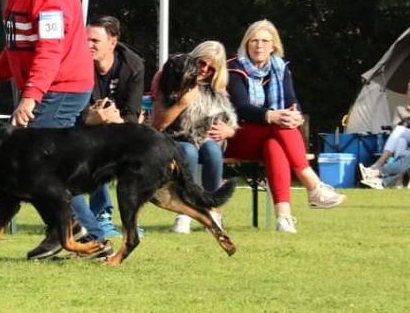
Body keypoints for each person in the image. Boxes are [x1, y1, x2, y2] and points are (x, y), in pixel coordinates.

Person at [0, 0, 102, 260]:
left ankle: (83, 232)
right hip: (49, 86)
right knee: (50, 167)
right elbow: (19, 39)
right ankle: (71, 230)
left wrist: (31, 95)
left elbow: (50, 48)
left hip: (61, 87)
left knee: (38, 165)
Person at [225, 20, 345, 234]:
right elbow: (242, 107)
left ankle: (284, 219)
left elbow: (292, 100)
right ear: (246, 44)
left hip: (273, 134)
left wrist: (295, 115)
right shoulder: (234, 68)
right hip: (237, 135)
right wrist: (271, 115)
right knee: (280, 125)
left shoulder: (281, 69)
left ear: (273, 46)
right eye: (254, 41)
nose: (259, 46)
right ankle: (313, 185)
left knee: (275, 145)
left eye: (264, 41)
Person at [150, 41, 237, 234]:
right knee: (188, 152)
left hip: (206, 135)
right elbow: (158, 125)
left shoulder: (217, 86)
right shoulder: (168, 76)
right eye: (201, 63)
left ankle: (213, 211)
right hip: (174, 135)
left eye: (211, 68)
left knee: (213, 152)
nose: (204, 70)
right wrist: (184, 102)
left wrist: (229, 131)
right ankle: (184, 211)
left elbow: (229, 117)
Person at [77, 15, 145, 238]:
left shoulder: (133, 65)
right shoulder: (77, 62)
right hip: (85, 130)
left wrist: (113, 119)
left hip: (122, 130)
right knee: (96, 151)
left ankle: (131, 219)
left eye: (95, 41)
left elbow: (134, 114)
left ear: (113, 42)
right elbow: (75, 109)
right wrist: (92, 117)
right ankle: (101, 215)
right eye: (86, 39)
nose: (88, 45)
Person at [359, 79, 410, 187]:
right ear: (407, 92)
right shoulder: (400, 109)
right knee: (400, 140)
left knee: (400, 130)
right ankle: (399, 180)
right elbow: (394, 127)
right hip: (406, 138)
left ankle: (379, 163)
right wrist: (407, 121)